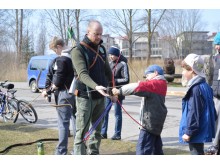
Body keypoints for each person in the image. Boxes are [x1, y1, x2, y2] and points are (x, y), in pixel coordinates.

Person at [71, 20, 115, 155]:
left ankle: (94, 154)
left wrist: (112, 91)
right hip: (85, 97)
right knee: (81, 132)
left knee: (97, 130)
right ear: (88, 32)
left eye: (101, 34)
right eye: (96, 34)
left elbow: (108, 72)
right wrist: (96, 87)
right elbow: (83, 74)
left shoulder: (101, 49)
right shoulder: (78, 50)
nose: (99, 37)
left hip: (100, 97)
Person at [112, 64, 167, 155]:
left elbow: (137, 87)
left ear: (155, 73)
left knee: (142, 150)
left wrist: (119, 91)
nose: (146, 78)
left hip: (149, 124)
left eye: (148, 76)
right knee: (156, 150)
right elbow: (144, 87)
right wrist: (144, 84)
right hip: (156, 122)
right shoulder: (161, 84)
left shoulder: (155, 84)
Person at [42, 37, 76, 155]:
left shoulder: (62, 59)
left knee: (63, 123)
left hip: (65, 94)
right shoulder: (74, 56)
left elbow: (57, 81)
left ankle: (61, 152)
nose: (55, 52)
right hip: (75, 93)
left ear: (59, 47)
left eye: (54, 49)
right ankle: (77, 150)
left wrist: (47, 91)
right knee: (75, 121)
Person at [179, 53, 216, 155]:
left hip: (195, 131)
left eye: (184, 70)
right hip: (201, 127)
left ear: (191, 70)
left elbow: (194, 111)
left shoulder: (195, 89)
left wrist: (189, 132)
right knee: (199, 151)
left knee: (196, 152)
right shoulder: (205, 85)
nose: (182, 73)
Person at [101, 46, 129, 140]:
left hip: (118, 93)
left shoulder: (123, 64)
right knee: (105, 112)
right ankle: (103, 132)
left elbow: (126, 79)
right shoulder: (109, 64)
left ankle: (117, 134)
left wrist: (114, 80)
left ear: (117, 55)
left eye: (112, 55)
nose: (111, 56)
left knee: (117, 114)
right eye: (109, 55)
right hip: (108, 92)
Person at [205, 32, 220, 155]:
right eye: (216, 44)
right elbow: (213, 76)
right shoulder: (216, 57)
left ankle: (215, 145)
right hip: (216, 93)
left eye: (219, 44)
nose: (217, 46)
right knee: (215, 119)